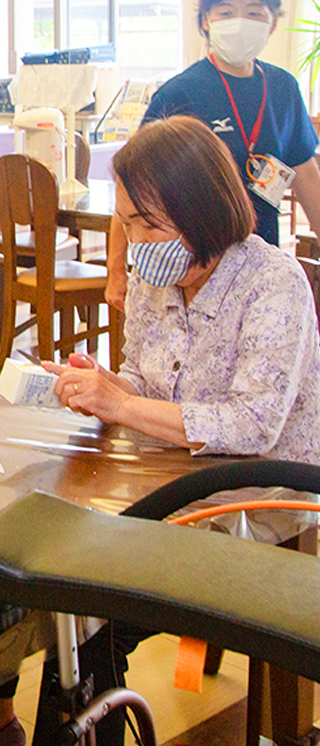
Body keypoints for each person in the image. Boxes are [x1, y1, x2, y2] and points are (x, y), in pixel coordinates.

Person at [31, 115, 320, 746]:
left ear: (203, 212)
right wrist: (105, 386)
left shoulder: (274, 284)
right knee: (62, 576)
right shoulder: (156, 276)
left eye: (147, 225)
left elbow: (253, 426)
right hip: (171, 470)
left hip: (261, 490)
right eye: (126, 223)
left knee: (93, 615)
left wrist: (124, 407)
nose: (134, 243)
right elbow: (144, 374)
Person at [107, 0, 320, 311]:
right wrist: (116, 270)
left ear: (271, 23)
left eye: (254, 12)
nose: (240, 23)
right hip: (190, 272)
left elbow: (307, 176)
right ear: (205, 19)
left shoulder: (283, 89)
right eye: (225, 12)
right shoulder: (180, 93)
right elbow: (133, 188)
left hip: (260, 268)